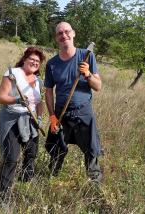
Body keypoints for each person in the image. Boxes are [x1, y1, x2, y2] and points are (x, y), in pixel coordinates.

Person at [44, 22, 103, 182]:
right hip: (61, 114)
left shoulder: (86, 56)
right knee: (56, 150)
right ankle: (51, 179)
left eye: (67, 31)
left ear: (73, 33)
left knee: (91, 151)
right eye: (59, 33)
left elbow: (98, 86)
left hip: (83, 113)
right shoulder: (52, 64)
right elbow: (48, 91)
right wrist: (51, 116)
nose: (64, 35)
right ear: (56, 38)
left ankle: (94, 187)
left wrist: (88, 74)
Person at [0, 47, 45, 201]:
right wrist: (17, 100)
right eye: (32, 59)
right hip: (12, 119)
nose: (35, 62)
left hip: (30, 120)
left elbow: (39, 102)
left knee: (31, 152)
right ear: (24, 59)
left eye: (38, 61)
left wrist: (40, 118)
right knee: (11, 157)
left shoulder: (38, 81)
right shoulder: (13, 74)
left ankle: (25, 179)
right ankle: (3, 196)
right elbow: (1, 97)